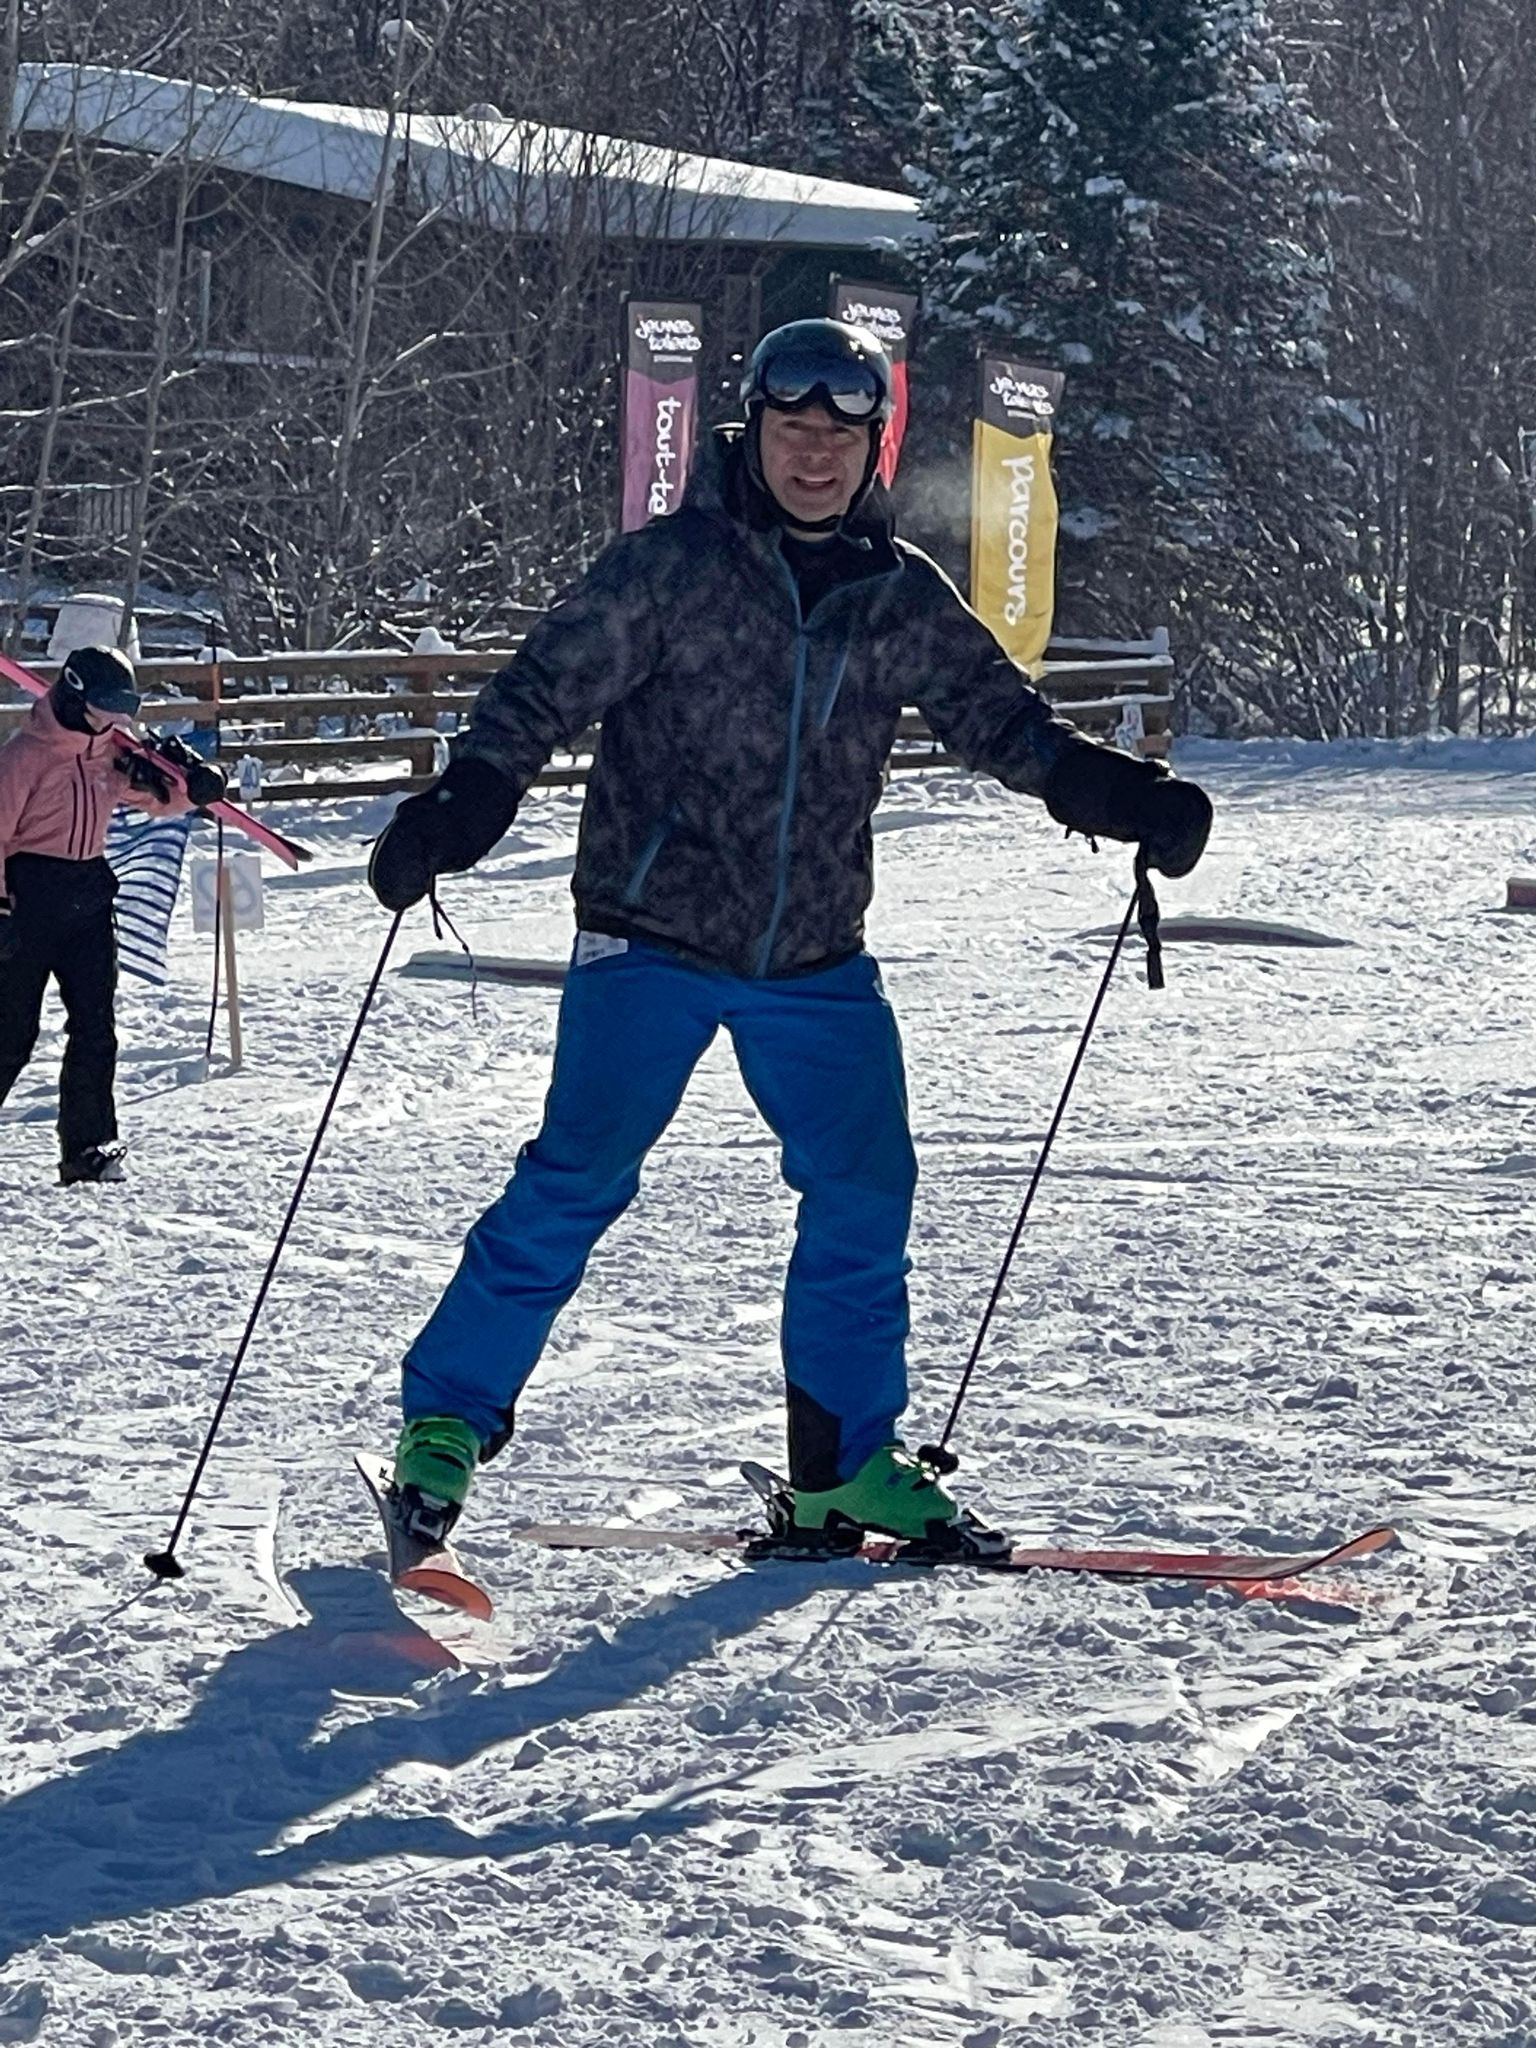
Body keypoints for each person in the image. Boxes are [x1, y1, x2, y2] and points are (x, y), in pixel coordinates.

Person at [369, 318, 1212, 1556]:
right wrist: (468, 797)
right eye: (791, 428)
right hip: (649, 935)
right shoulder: (672, 567)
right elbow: (540, 687)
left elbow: (1004, 723)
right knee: (577, 1179)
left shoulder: (896, 596)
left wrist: (1121, 794)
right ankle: (444, 1424)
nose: (813, 454)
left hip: (814, 955)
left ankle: (843, 1467)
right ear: (750, 432)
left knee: (866, 1190)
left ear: (875, 445)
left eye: (839, 433)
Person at [0, 644, 226, 1184]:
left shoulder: (111, 752)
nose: (116, 719)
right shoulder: (25, 755)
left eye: (124, 709)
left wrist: (194, 788)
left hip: (88, 894)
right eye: (106, 707)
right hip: (28, 895)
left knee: (96, 1029)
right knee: (11, 1032)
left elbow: (156, 798)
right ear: (75, 695)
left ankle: (88, 1147)